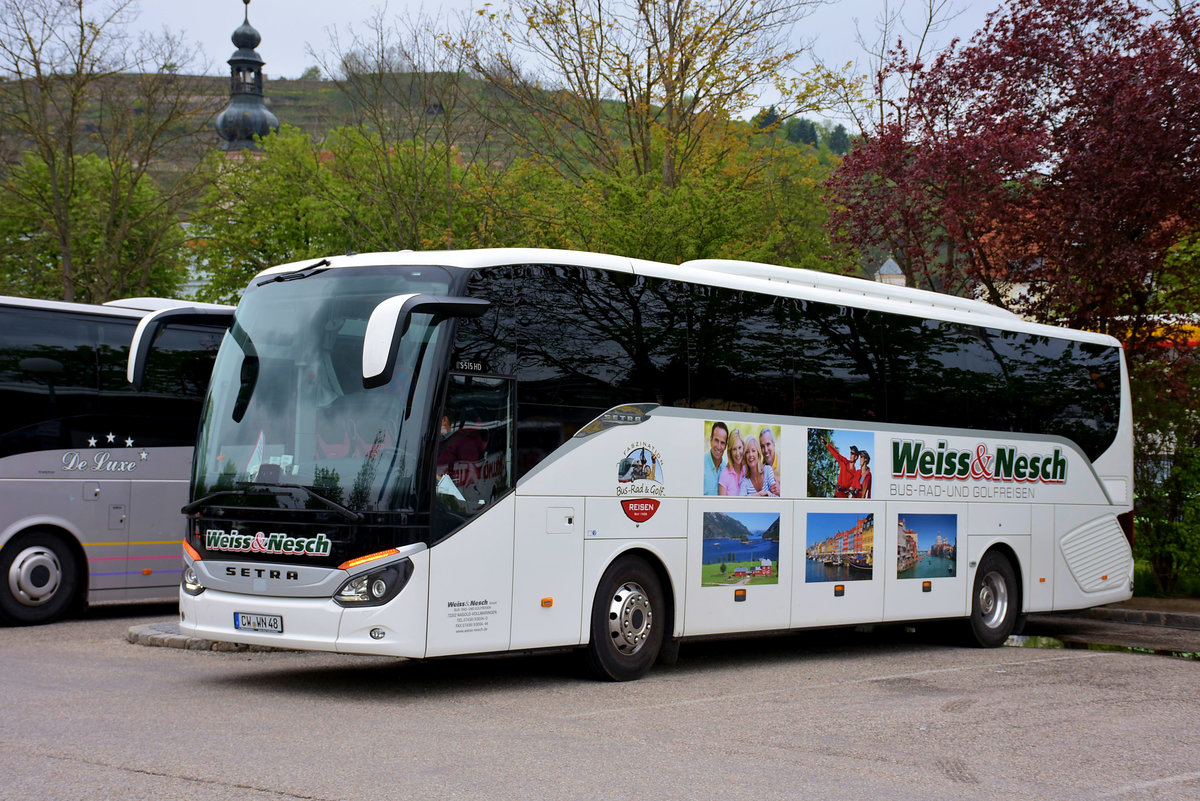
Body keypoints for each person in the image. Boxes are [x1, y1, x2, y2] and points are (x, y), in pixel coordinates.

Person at [718, 429, 747, 496]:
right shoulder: (724, 474)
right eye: (734, 449)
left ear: (743, 447)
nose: (737, 453)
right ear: (730, 452)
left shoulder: (747, 470)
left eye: (740, 447)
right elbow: (721, 504)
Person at [703, 421, 728, 496]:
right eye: (716, 441)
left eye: (722, 443)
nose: (719, 446)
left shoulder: (726, 469)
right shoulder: (701, 464)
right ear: (711, 440)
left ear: (726, 446)